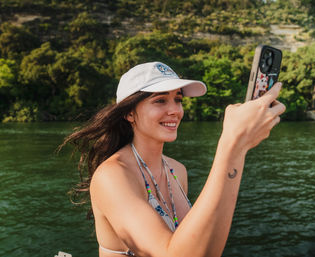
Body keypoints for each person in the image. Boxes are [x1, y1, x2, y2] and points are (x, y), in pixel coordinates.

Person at [61, 61, 285, 257]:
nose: (175, 111)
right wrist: (233, 146)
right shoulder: (112, 176)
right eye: (160, 101)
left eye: (178, 100)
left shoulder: (177, 170)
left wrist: (238, 148)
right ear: (129, 113)